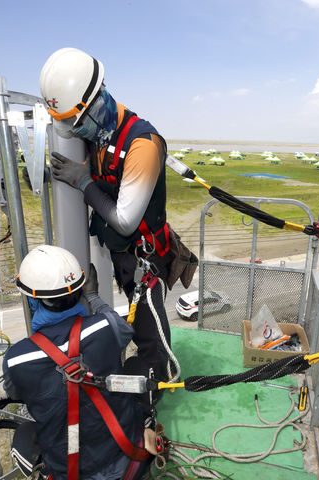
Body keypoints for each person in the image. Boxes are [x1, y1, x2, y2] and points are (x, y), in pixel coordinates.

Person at [39, 47, 197, 382]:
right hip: (123, 253)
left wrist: (82, 181)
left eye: (78, 124)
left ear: (96, 103)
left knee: (149, 331)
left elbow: (125, 219)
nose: (77, 133)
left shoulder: (142, 143)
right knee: (142, 320)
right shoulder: (100, 132)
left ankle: (157, 380)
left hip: (144, 257)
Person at [3, 245, 151, 480]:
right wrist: (93, 296)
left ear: (33, 299)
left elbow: (14, 393)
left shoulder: (17, 359)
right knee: (137, 368)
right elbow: (121, 327)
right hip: (124, 456)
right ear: (80, 290)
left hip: (68, 472)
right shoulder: (106, 327)